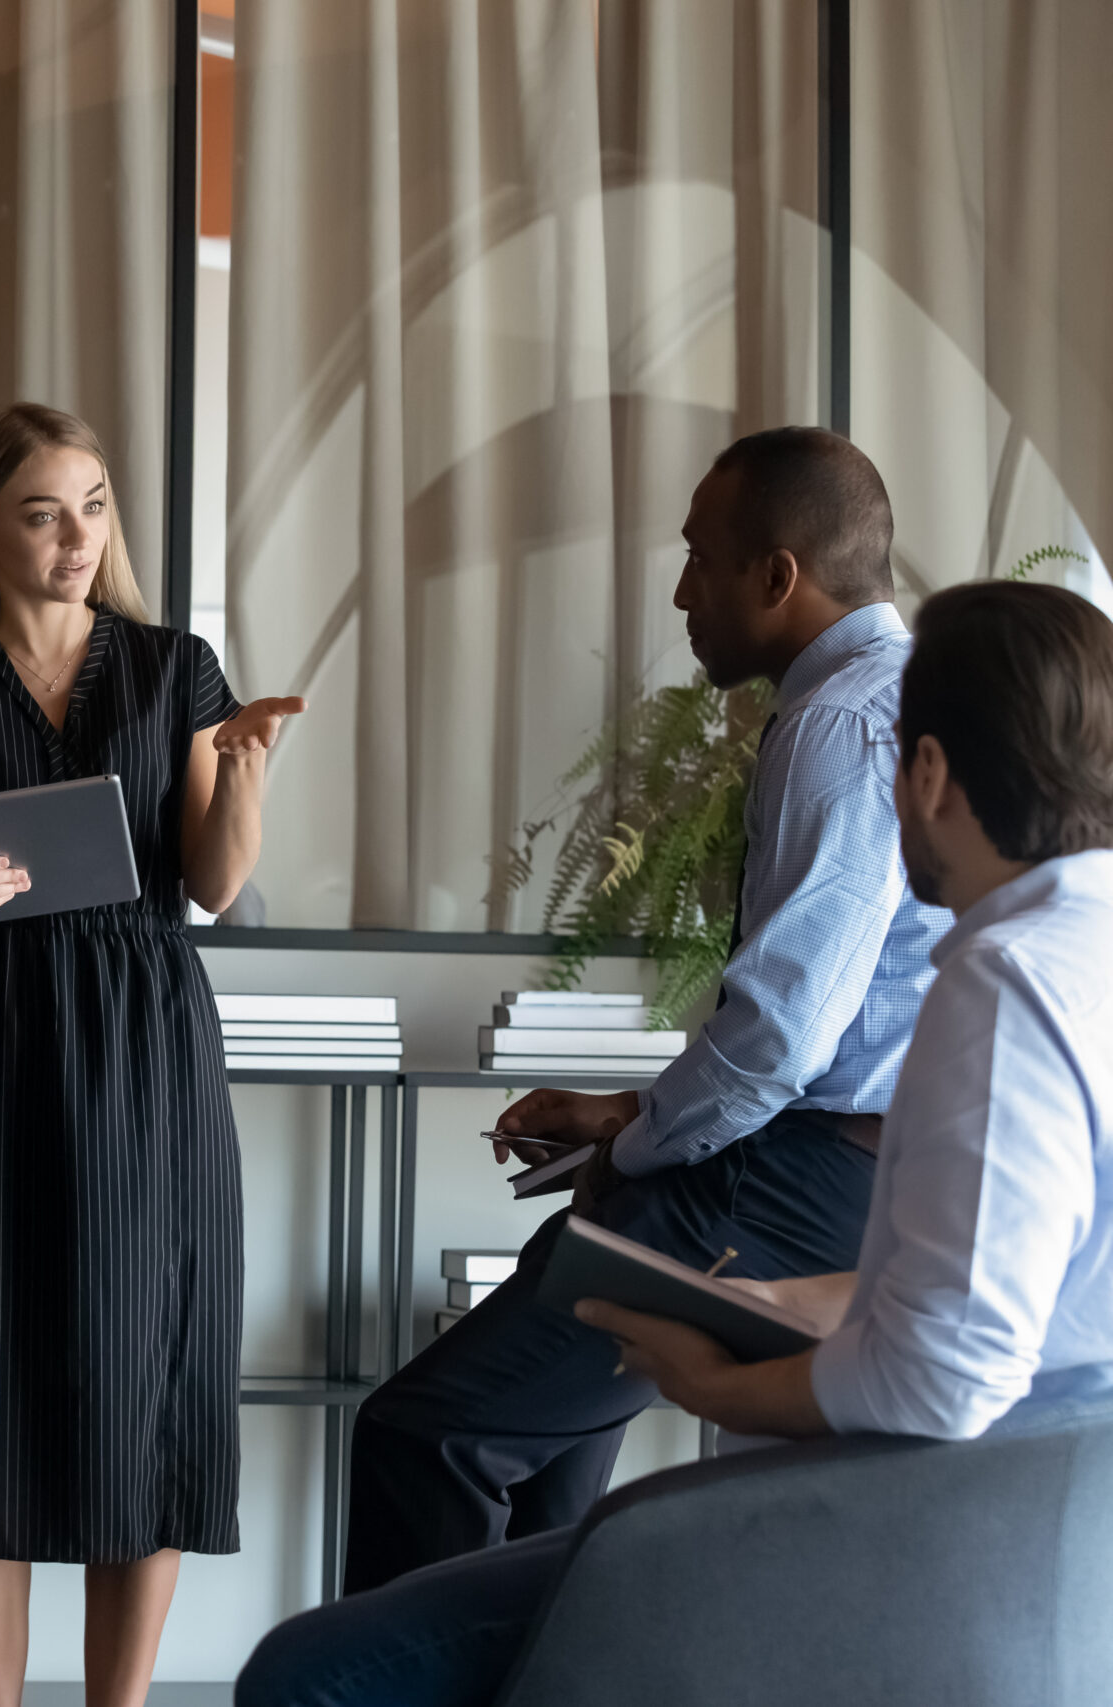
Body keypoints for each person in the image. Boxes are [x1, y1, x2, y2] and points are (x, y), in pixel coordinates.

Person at [240, 578, 1113, 1707]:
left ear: (931, 773)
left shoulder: (1004, 984)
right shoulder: (1082, 954)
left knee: (312, 1674)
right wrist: (816, 1303)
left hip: (911, 1533)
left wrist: (714, 1385)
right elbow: (1046, 1298)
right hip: (1034, 1559)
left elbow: (944, 1377)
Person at [341, 427, 951, 1594]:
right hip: (844, 1166)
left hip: (803, 1179)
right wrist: (629, 1119)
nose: (680, 592)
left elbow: (782, 1034)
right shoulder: (893, 690)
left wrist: (634, 1140)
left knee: (425, 1436)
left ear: (778, 577)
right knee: (549, 1449)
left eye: (699, 560)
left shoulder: (837, 720)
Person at [0, 401, 305, 1707]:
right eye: (44, 511)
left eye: (93, 505)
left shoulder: (174, 669)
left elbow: (210, 881)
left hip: (149, 1035)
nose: (77, 537)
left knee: (143, 1360)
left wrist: (250, 771)